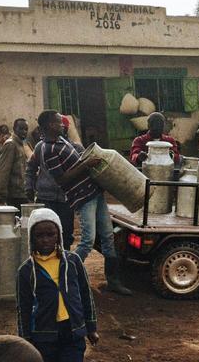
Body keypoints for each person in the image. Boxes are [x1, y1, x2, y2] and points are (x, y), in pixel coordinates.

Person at [37, 110, 131, 295]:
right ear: (49, 125)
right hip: (82, 196)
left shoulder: (62, 141)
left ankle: (113, 281)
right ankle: (66, 276)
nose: (62, 125)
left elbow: (76, 160)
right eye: (58, 122)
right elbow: (62, 179)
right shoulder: (48, 149)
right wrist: (86, 164)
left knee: (107, 236)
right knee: (87, 240)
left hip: (94, 192)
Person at [16, 208, 99, 361]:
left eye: (50, 234)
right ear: (31, 238)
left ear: (59, 235)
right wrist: (25, 338)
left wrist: (91, 327)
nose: (45, 240)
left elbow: (85, 294)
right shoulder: (26, 271)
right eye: (39, 235)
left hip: (73, 332)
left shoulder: (73, 261)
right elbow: (23, 307)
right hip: (43, 336)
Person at [25, 116, 83, 250]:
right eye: (61, 125)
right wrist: (29, 186)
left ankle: (63, 263)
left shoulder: (71, 148)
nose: (63, 128)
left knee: (66, 234)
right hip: (46, 198)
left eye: (65, 127)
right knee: (45, 235)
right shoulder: (41, 147)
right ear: (52, 126)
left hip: (65, 199)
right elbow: (31, 167)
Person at [0, 118, 29, 210]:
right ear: (14, 129)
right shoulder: (11, 145)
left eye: (26, 129)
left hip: (21, 193)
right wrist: (1, 195)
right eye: (21, 129)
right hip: (13, 195)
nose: (24, 132)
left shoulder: (21, 145)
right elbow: (3, 171)